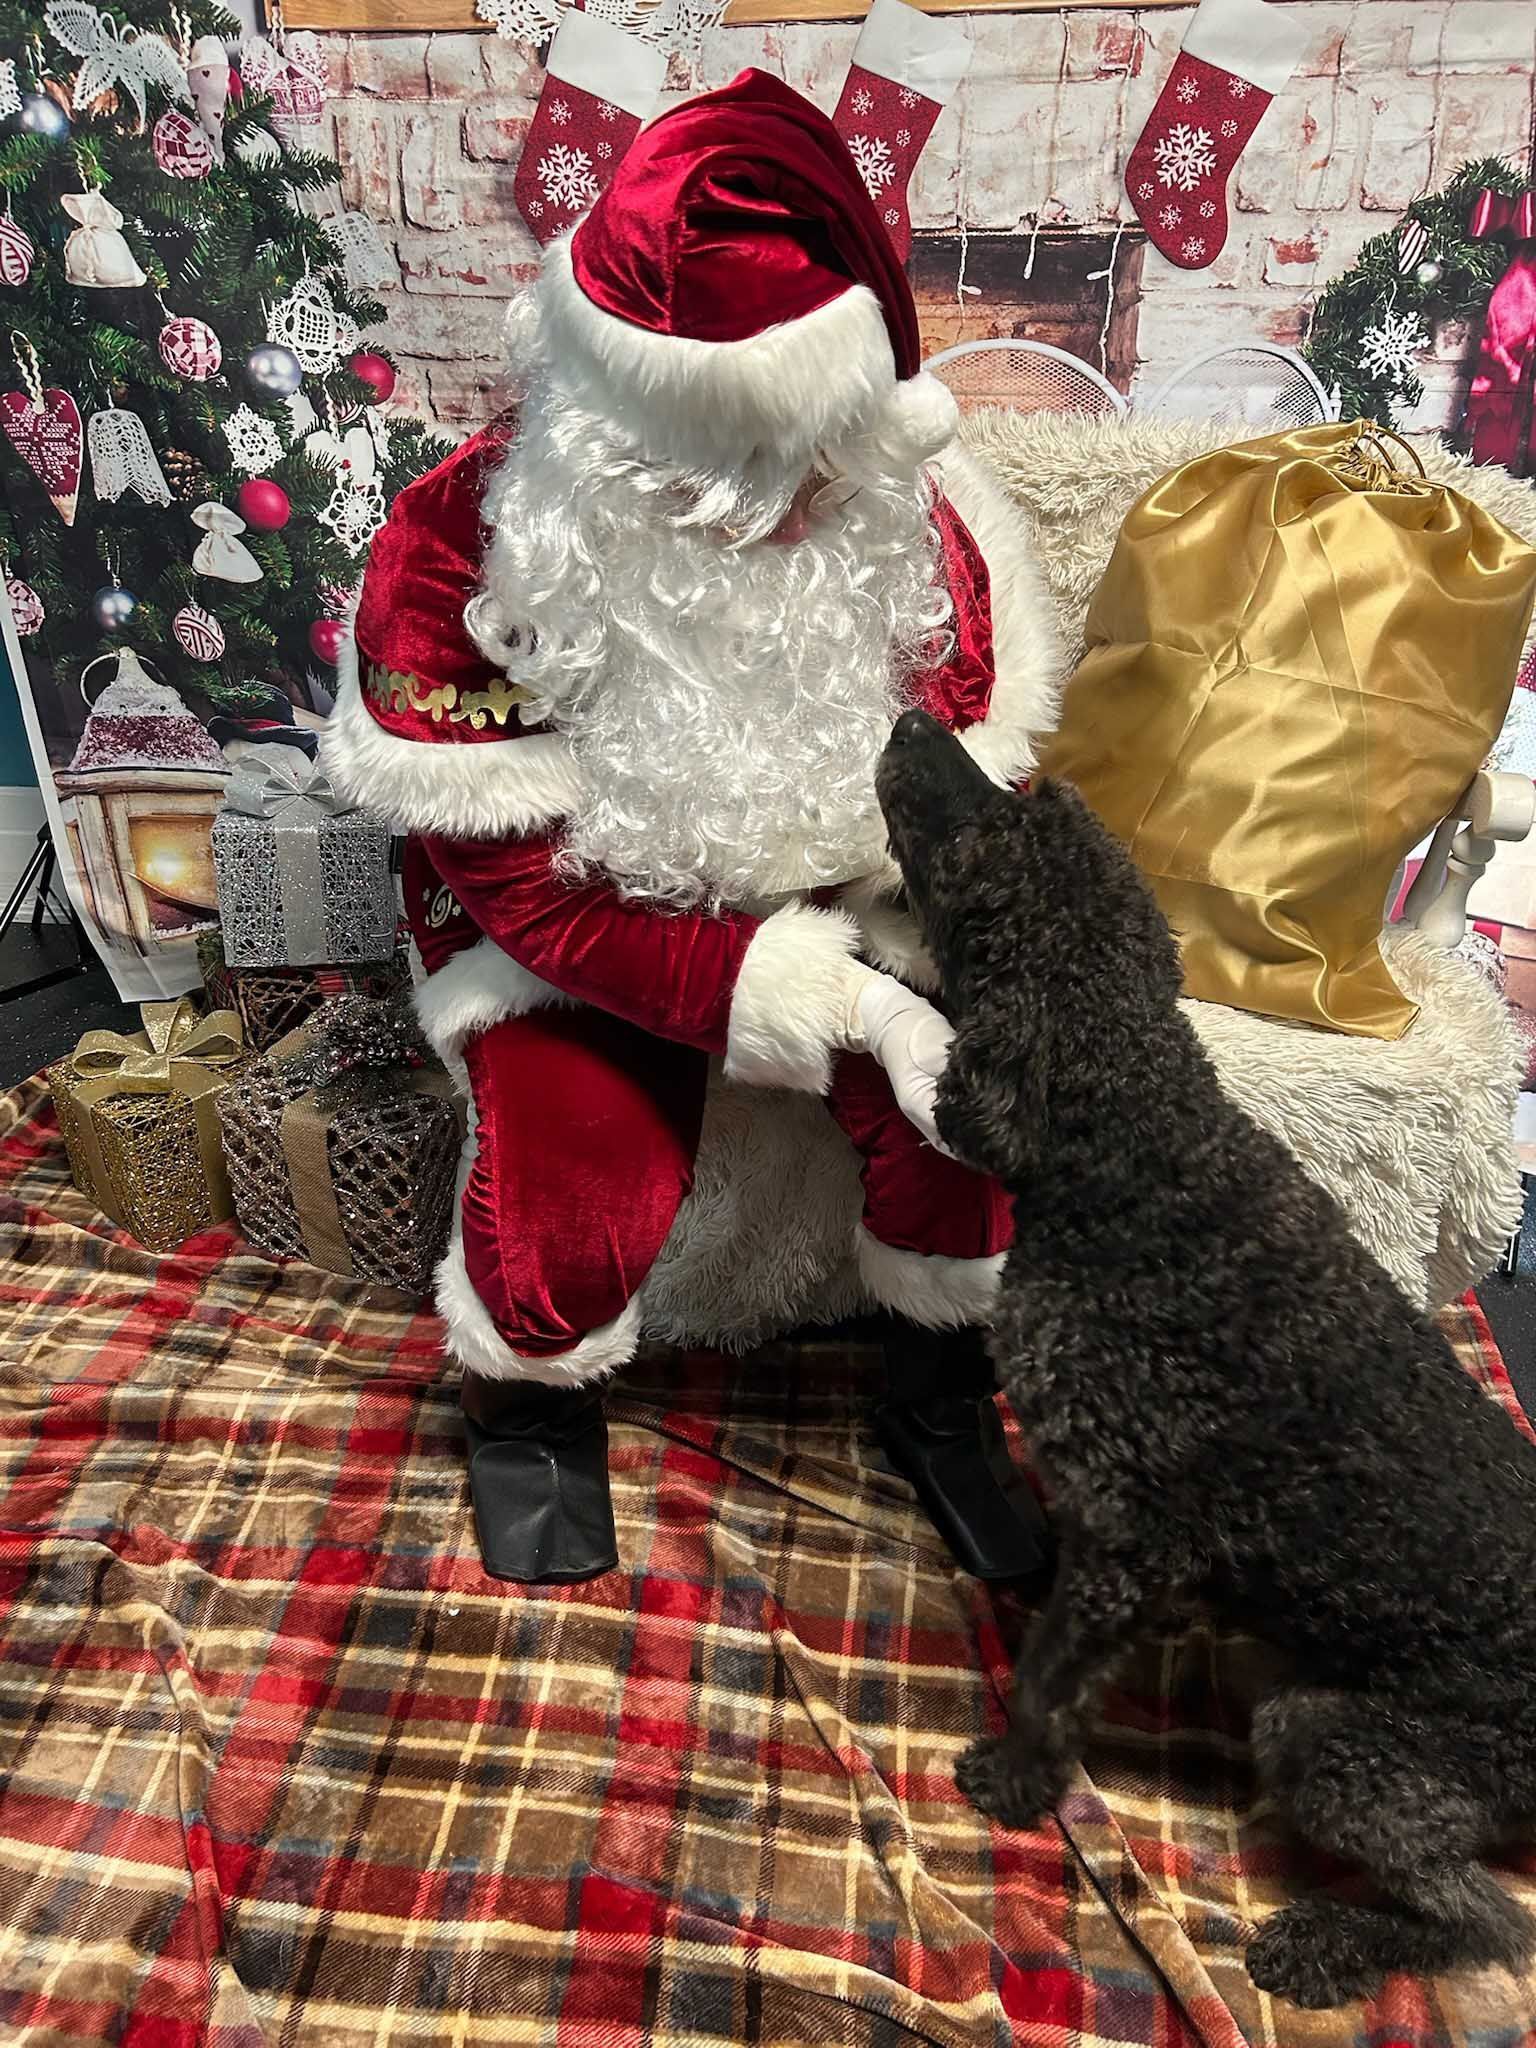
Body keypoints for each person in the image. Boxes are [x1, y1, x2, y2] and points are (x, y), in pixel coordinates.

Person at [323, 69, 1063, 1585]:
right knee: (577, 1173)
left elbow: (977, 807)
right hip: (584, 924)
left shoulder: (925, 546)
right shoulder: (459, 551)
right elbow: (520, 886)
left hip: (842, 899)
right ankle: (526, 1404)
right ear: (606, 419)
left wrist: (909, 972)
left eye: (785, 476)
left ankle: (938, 1396)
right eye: (693, 478)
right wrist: (801, 996)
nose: (743, 521)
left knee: (966, 1105)